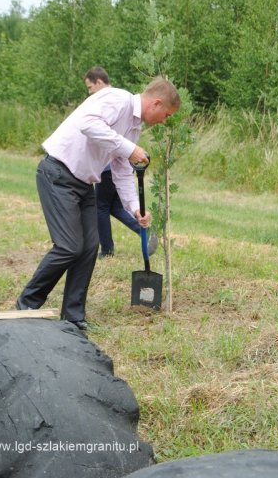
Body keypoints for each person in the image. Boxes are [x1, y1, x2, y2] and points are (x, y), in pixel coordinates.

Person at [16, 76, 180, 331]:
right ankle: (26, 305)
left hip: (83, 184)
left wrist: (135, 208)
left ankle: (73, 316)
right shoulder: (118, 99)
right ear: (156, 103)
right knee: (69, 246)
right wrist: (128, 147)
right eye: (166, 115)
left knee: (89, 247)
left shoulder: (134, 128)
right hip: (58, 174)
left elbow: (122, 170)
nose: (164, 121)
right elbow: (88, 123)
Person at [84, 66, 158, 258]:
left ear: (99, 82)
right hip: (112, 167)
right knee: (116, 207)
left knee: (101, 207)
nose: (89, 92)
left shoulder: (115, 101)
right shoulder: (117, 101)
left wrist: (128, 151)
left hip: (108, 168)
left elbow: (96, 130)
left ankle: (107, 249)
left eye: (90, 87)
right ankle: (145, 230)